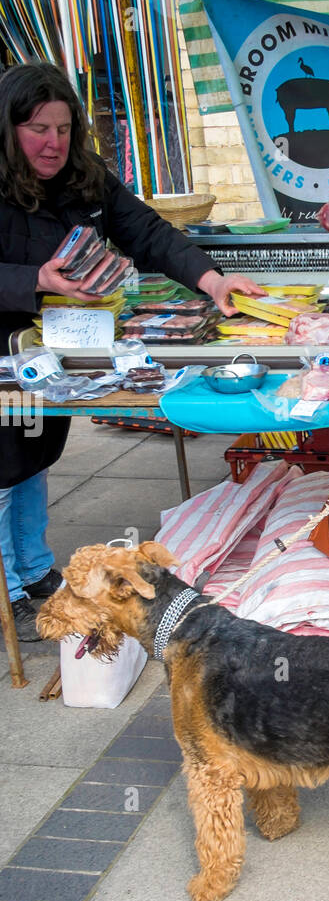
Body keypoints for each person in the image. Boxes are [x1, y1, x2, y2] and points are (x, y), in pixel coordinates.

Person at [0, 61, 264, 641]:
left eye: (64, 129)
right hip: (3, 350)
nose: (54, 143)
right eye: (38, 129)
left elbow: (148, 232)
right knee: (2, 463)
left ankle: (34, 568)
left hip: (55, 350)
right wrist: (35, 279)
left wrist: (212, 279)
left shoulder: (83, 176)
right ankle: (9, 591)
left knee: (31, 455)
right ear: (9, 129)